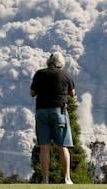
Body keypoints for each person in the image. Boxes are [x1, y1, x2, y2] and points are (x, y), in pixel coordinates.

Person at [30, 52, 76, 184]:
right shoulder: (65, 75)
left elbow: (32, 93)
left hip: (42, 112)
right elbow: (73, 94)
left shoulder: (40, 74)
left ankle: (45, 179)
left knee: (44, 147)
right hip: (58, 112)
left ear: (48, 62)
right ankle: (67, 178)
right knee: (62, 146)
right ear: (61, 63)